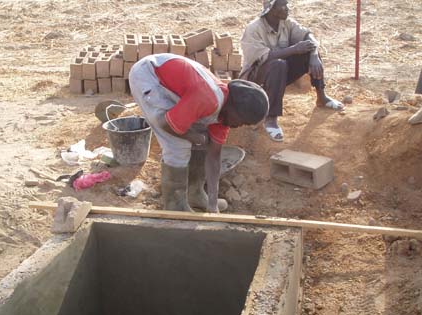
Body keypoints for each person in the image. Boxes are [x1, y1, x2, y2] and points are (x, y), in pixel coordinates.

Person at [129, 53, 269, 213]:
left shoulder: (224, 115)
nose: (239, 126)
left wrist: (213, 203)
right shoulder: (208, 99)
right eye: (242, 121)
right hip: (149, 76)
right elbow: (165, 124)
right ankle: (175, 205)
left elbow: (214, 157)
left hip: (174, 83)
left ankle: (194, 193)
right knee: (178, 143)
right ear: (234, 108)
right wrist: (193, 136)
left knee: (202, 137)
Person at [240, 0, 344, 142]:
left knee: (308, 50)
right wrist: (294, 49)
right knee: (278, 64)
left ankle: (322, 97)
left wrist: (314, 56)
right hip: (255, 79)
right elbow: (265, 57)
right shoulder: (253, 29)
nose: (287, 8)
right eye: (283, 5)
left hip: (280, 73)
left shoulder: (286, 22)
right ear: (272, 9)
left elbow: (308, 36)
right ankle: (271, 118)